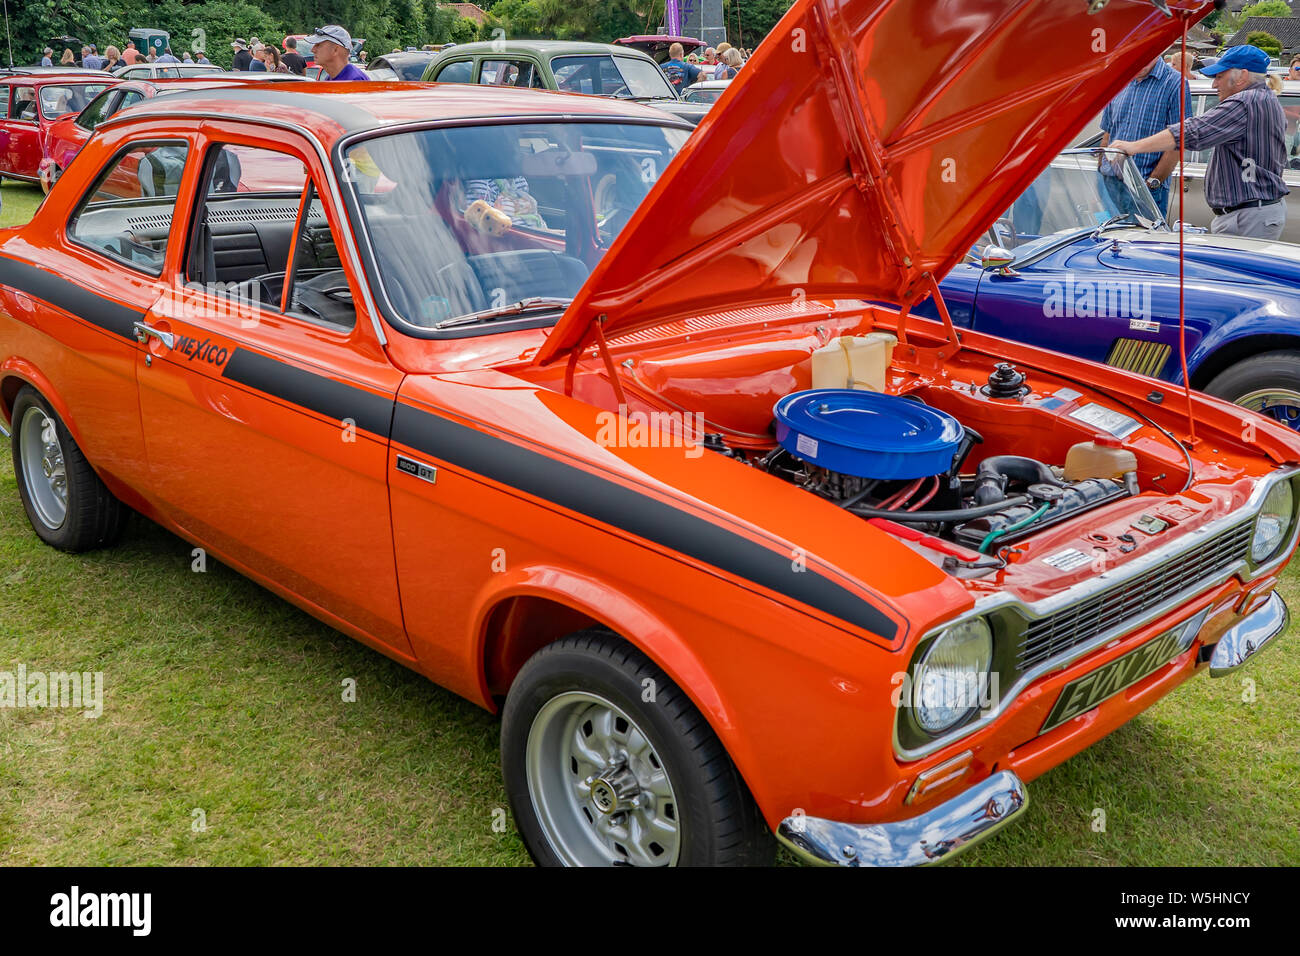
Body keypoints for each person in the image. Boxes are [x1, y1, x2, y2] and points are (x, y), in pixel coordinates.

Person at [1110, 44, 1289, 240]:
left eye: (1219, 77)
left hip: (1248, 215)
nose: (1214, 85)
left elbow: (1194, 131)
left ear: (1242, 76)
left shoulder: (1245, 102)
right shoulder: (1263, 99)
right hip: (1251, 212)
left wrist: (1133, 147)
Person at [1098, 55, 1190, 217]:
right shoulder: (1120, 80)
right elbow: (1108, 131)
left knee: (1142, 241)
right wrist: (1101, 171)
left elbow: (1179, 140)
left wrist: (1152, 183)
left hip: (1145, 187)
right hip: (1110, 183)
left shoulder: (1175, 83)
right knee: (1106, 240)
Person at [304, 25, 369, 81]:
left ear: (336, 50)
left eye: (318, 45)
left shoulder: (354, 81)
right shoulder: (331, 78)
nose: (313, 50)